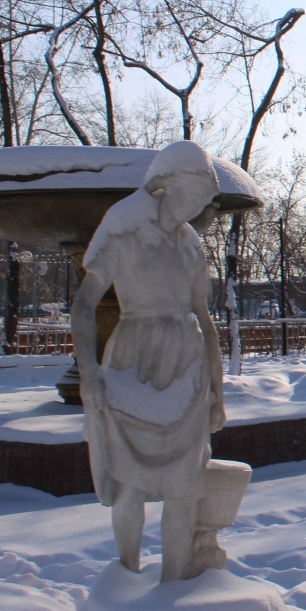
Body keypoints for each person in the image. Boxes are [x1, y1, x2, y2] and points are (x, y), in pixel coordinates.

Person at [71, 142, 226, 583]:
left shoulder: (191, 246)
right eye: (190, 198)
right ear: (164, 185)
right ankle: (125, 580)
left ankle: (172, 588)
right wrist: (89, 373)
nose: (195, 210)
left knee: (185, 492)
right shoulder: (124, 226)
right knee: (129, 486)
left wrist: (218, 390)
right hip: (133, 360)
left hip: (186, 363)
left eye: (201, 202)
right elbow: (84, 307)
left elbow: (205, 320)